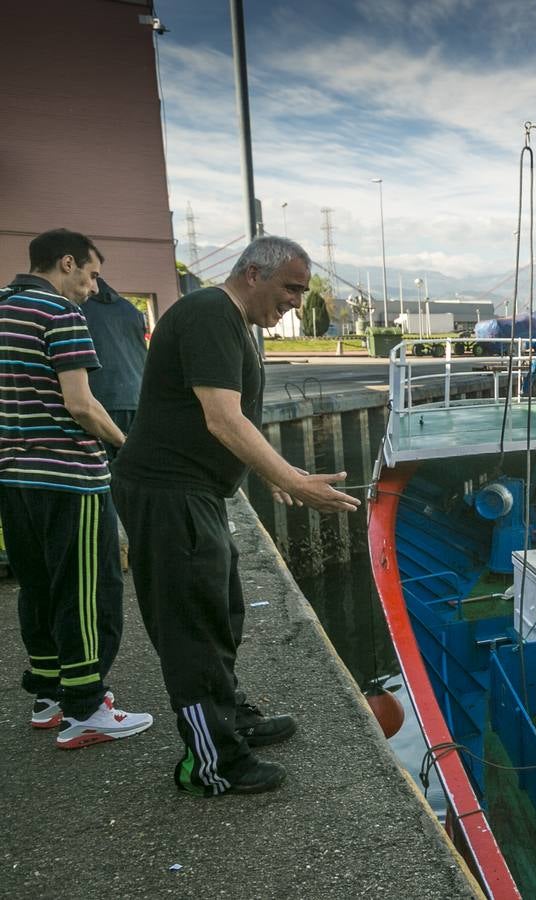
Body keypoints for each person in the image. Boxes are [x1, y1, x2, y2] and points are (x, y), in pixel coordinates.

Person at [113, 236, 359, 796]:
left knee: (223, 611)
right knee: (191, 626)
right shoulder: (207, 314)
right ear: (253, 272)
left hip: (194, 493)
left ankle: (229, 718)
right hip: (167, 493)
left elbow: (224, 424)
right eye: (291, 287)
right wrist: (289, 477)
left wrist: (271, 474)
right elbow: (223, 419)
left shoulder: (230, 322)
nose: (298, 300)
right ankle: (212, 762)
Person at [0, 229, 152, 748]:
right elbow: (82, 404)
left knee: (37, 586)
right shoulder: (61, 314)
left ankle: (47, 696)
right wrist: (125, 446)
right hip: (70, 477)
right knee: (88, 591)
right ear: (67, 263)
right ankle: (86, 708)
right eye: (89, 275)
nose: (91, 289)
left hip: (13, 478)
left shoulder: (3, 308)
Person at [79, 276, 148, 460]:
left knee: (103, 470)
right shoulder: (131, 309)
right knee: (132, 468)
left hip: (100, 401)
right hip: (137, 398)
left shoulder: (77, 309)